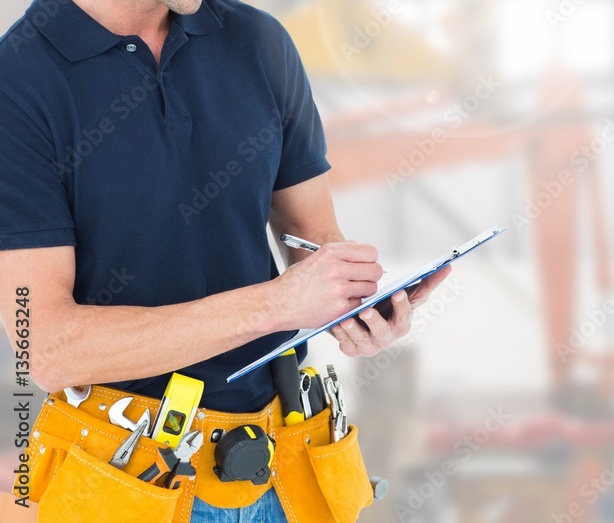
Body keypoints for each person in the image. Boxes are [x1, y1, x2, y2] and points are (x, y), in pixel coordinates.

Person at [0, 0, 451, 520]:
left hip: (286, 458)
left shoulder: (259, 41)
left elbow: (314, 238)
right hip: (130, 479)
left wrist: (356, 305)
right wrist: (277, 306)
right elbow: (50, 349)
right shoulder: (17, 80)